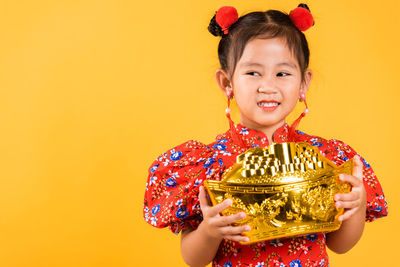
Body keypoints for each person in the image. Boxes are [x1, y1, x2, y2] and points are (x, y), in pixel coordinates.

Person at [143, 4, 388, 267]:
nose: (268, 86)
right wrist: (209, 232)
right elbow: (193, 259)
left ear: (304, 83)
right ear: (227, 83)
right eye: (253, 73)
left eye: (282, 73)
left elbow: (340, 245)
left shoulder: (325, 159)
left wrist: (357, 203)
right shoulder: (208, 166)